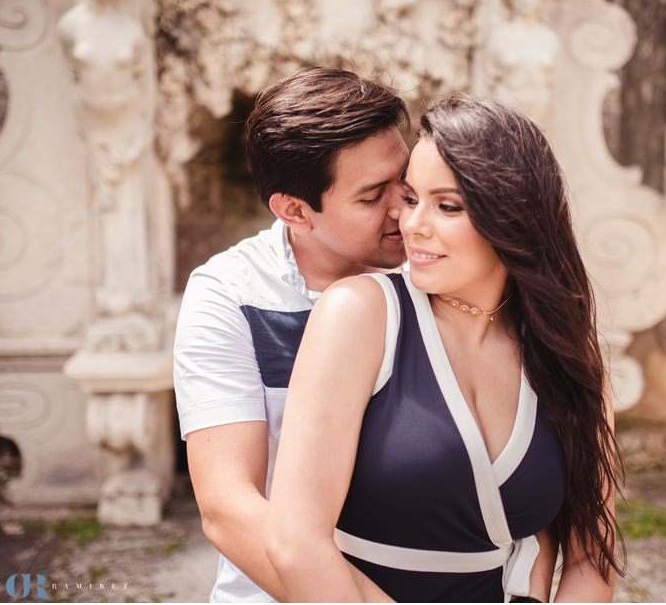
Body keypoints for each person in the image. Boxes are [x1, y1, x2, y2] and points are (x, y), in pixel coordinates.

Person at [266, 95, 623, 602]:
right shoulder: (360, 314)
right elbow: (294, 541)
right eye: (411, 199)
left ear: (514, 216)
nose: (411, 224)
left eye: (447, 205)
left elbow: (591, 557)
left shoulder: (569, 358)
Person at [173, 67, 410, 602]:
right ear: (295, 211)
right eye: (373, 196)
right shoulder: (230, 295)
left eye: (406, 179)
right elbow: (227, 507)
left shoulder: (438, 263)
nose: (404, 210)